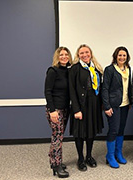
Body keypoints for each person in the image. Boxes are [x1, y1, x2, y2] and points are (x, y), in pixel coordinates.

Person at [69, 44, 104, 171]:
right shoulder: (74, 69)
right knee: (80, 133)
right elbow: (72, 90)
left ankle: (89, 156)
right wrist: (76, 109)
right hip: (81, 105)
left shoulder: (96, 68)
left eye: (87, 52)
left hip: (94, 104)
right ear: (78, 55)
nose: (85, 55)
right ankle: (80, 158)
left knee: (91, 132)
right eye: (82, 53)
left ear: (90, 53)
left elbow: (101, 88)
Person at [101, 46, 132, 168]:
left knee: (121, 130)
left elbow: (129, 86)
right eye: (120, 55)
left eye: (124, 55)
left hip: (125, 105)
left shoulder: (128, 68)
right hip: (113, 106)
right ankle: (110, 155)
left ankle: (119, 153)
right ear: (115, 56)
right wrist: (107, 106)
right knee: (113, 130)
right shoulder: (110, 70)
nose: (122, 57)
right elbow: (105, 89)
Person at [44, 47, 72, 178]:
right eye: (61, 55)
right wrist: (52, 110)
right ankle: (57, 165)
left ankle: (54, 160)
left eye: (66, 54)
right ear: (57, 56)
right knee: (57, 137)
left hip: (66, 108)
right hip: (56, 110)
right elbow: (47, 91)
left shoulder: (68, 71)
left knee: (58, 137)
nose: (64, 57)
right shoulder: (52, 71)